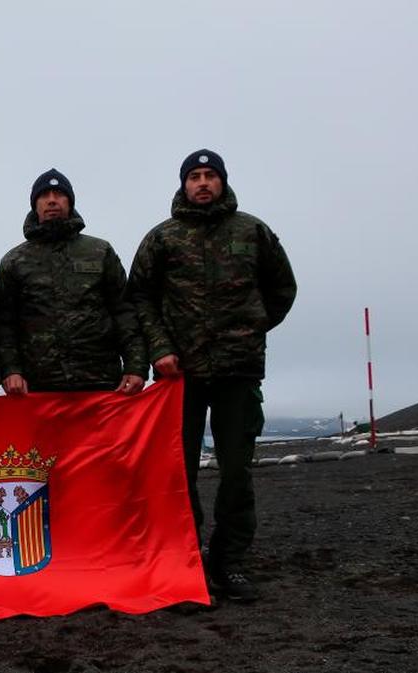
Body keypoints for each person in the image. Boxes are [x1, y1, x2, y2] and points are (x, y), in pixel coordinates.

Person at [126, 149, 297, 601]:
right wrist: (159, 349)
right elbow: (138, 298)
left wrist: (252, 326)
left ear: (222, 181)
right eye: (194, 177)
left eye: (210, 176)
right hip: (178, 376)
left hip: (237, 372)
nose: (202, 183)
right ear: (183, 184)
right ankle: (184, 559)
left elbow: (282, 287)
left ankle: (229, 562)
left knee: (236, 471)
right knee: (176, 473)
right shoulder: (162, 238)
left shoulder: (253, 231)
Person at [0, 168, 147, 396]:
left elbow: (124, 311)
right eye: (45, 196)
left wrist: (137, 366)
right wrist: (11, 370)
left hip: (101, 383)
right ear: (35, 205)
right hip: (39, 388)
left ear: (70, 202)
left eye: (59, 194)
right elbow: (3, 323)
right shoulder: (14, 261)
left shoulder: (100, 252)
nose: (52, 200)